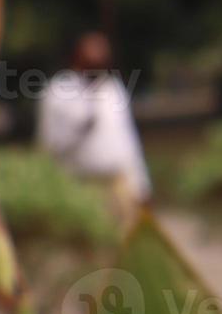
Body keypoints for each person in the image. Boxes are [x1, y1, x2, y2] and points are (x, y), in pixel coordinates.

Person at [36, 32, 149, 226]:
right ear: (77, 55)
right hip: (81, 185)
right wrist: (79, 131)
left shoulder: (112, 88)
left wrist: (142, 184)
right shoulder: (57, 93)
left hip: (117, 182)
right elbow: (48, 145)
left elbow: (128, 138)